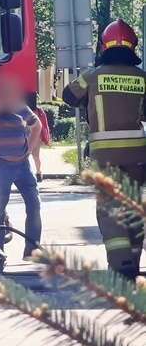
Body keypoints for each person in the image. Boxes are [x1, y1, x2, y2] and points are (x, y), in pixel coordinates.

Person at [63, 19, 146, 280]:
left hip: (105, 154)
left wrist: (91, 101)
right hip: (137, 154)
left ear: (104, 46)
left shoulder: (92, 75)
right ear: (133, 46)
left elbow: (68, 96)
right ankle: (133, 261)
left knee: (110, 208)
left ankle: (121, 265)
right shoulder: (142, 77)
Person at [0, 74, 43, 276]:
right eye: (3, 91)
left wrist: (29, 149)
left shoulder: (21, 109)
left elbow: (37, 126)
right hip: (0, 166)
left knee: (34, 204)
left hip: (23, 166)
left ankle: (32, 250)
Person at [31, 106, 51, 182]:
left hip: (36, 136)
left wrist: (45, 137)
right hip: (23, 136)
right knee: (22, 157)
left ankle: (38, 173)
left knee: (36, 156)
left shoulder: (39, 111)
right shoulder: (21, 108)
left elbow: (44, 124)